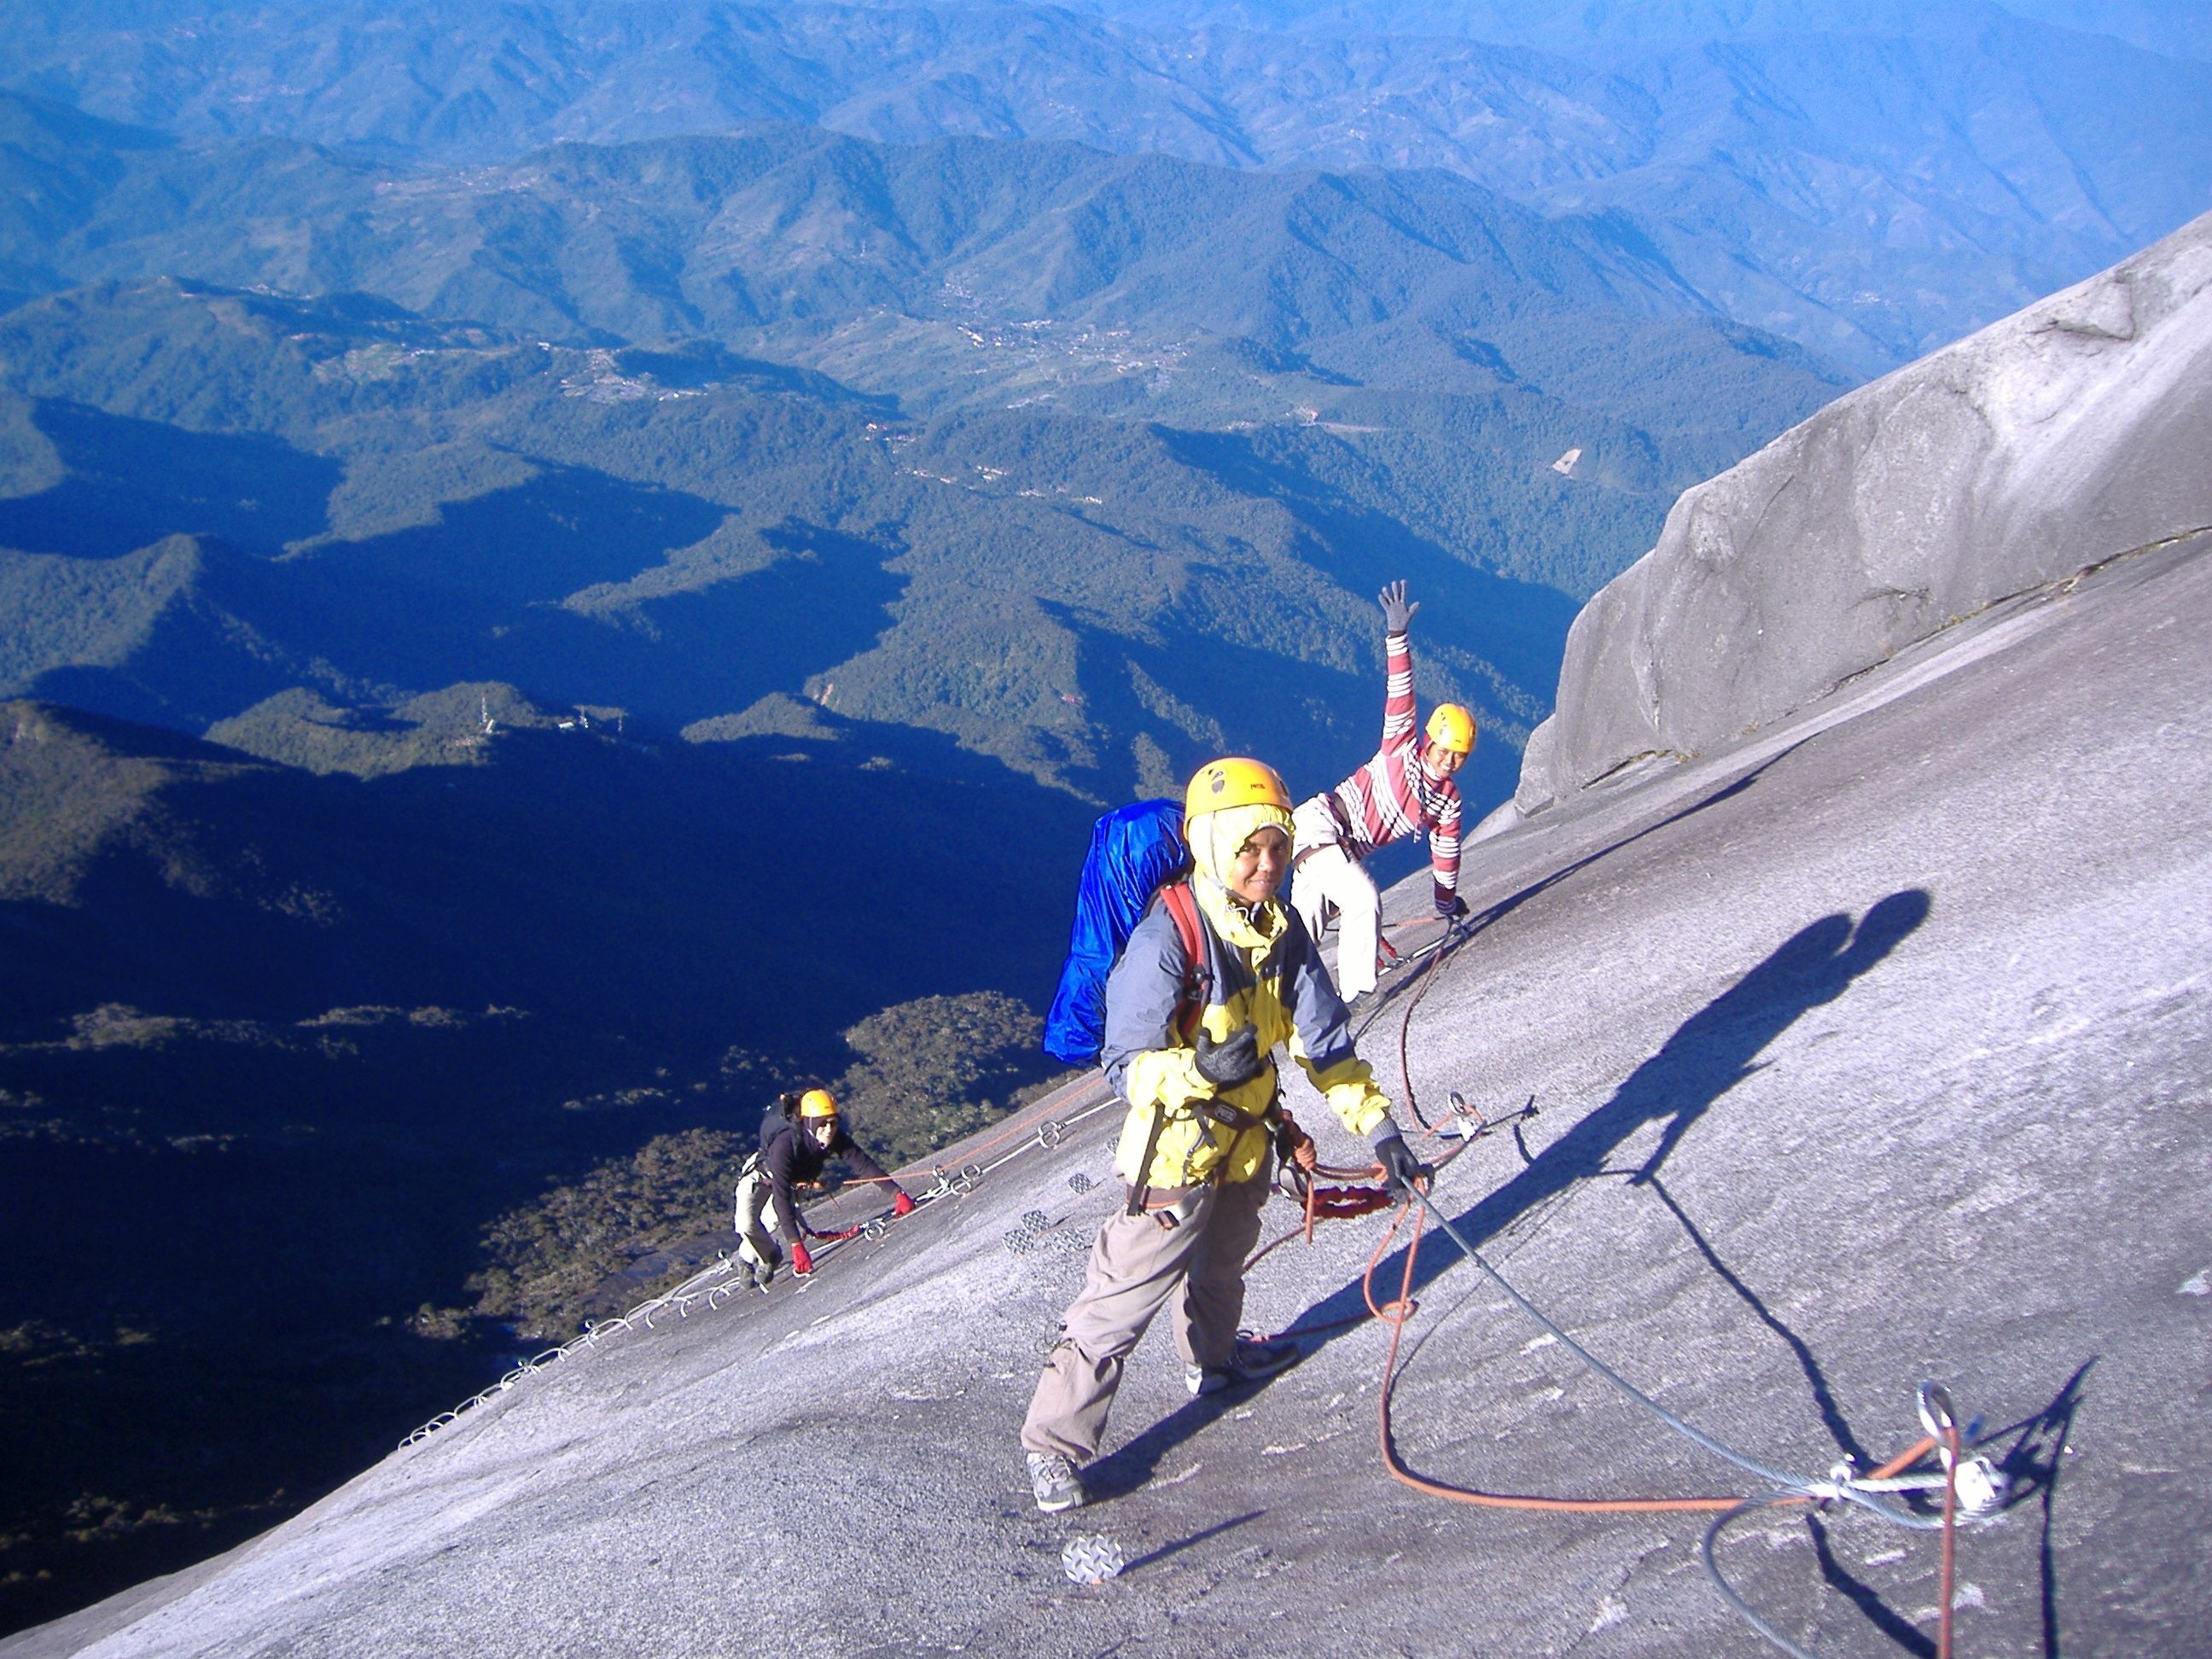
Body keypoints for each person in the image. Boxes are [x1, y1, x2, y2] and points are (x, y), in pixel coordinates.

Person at [1019, 757, 1429, 1514]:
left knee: (1221, 1272)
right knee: (1119, 1303)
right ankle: (1051, 1445)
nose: (1266, 863)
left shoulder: (1284, 931)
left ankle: (1211, 1365)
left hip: (1248, 1143)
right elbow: (1123, 1064)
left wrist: (1383, 1135)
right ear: (1212, 846)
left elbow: (1326, 1048)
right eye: (1248, 848)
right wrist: (1197, 1071)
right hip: (1175, 1153)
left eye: (1275, 845)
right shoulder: (1169, 935)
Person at [1289, 580, 1471, 1001]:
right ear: (1429, 740)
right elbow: (1400, 693)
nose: (1449, 760)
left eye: (1458, 755)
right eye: (1445, 750)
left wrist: (1446, 904)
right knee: (1362, 898)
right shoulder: (1400, 747)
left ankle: (1266, 1005)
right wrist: (1397, 636)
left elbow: (1446, 856)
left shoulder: (1448, 802)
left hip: (1336, 845)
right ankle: (1358, 996)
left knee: (1301, 936)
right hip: (1321, 825)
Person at [732, 1088, 915, 1290]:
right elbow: (781, 1197)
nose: (828, 1129)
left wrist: (897, 1194)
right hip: (761, 1176)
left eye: (833, 1122)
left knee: (772, 1222)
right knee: (745, 1224)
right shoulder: (784, 1144)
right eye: (822, 1123)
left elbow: (862, 1164)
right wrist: (796, 1245)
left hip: (794, 1181)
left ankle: (759, 1257)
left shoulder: (834, 1136)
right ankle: (765, 1256)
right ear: (809, 1122)